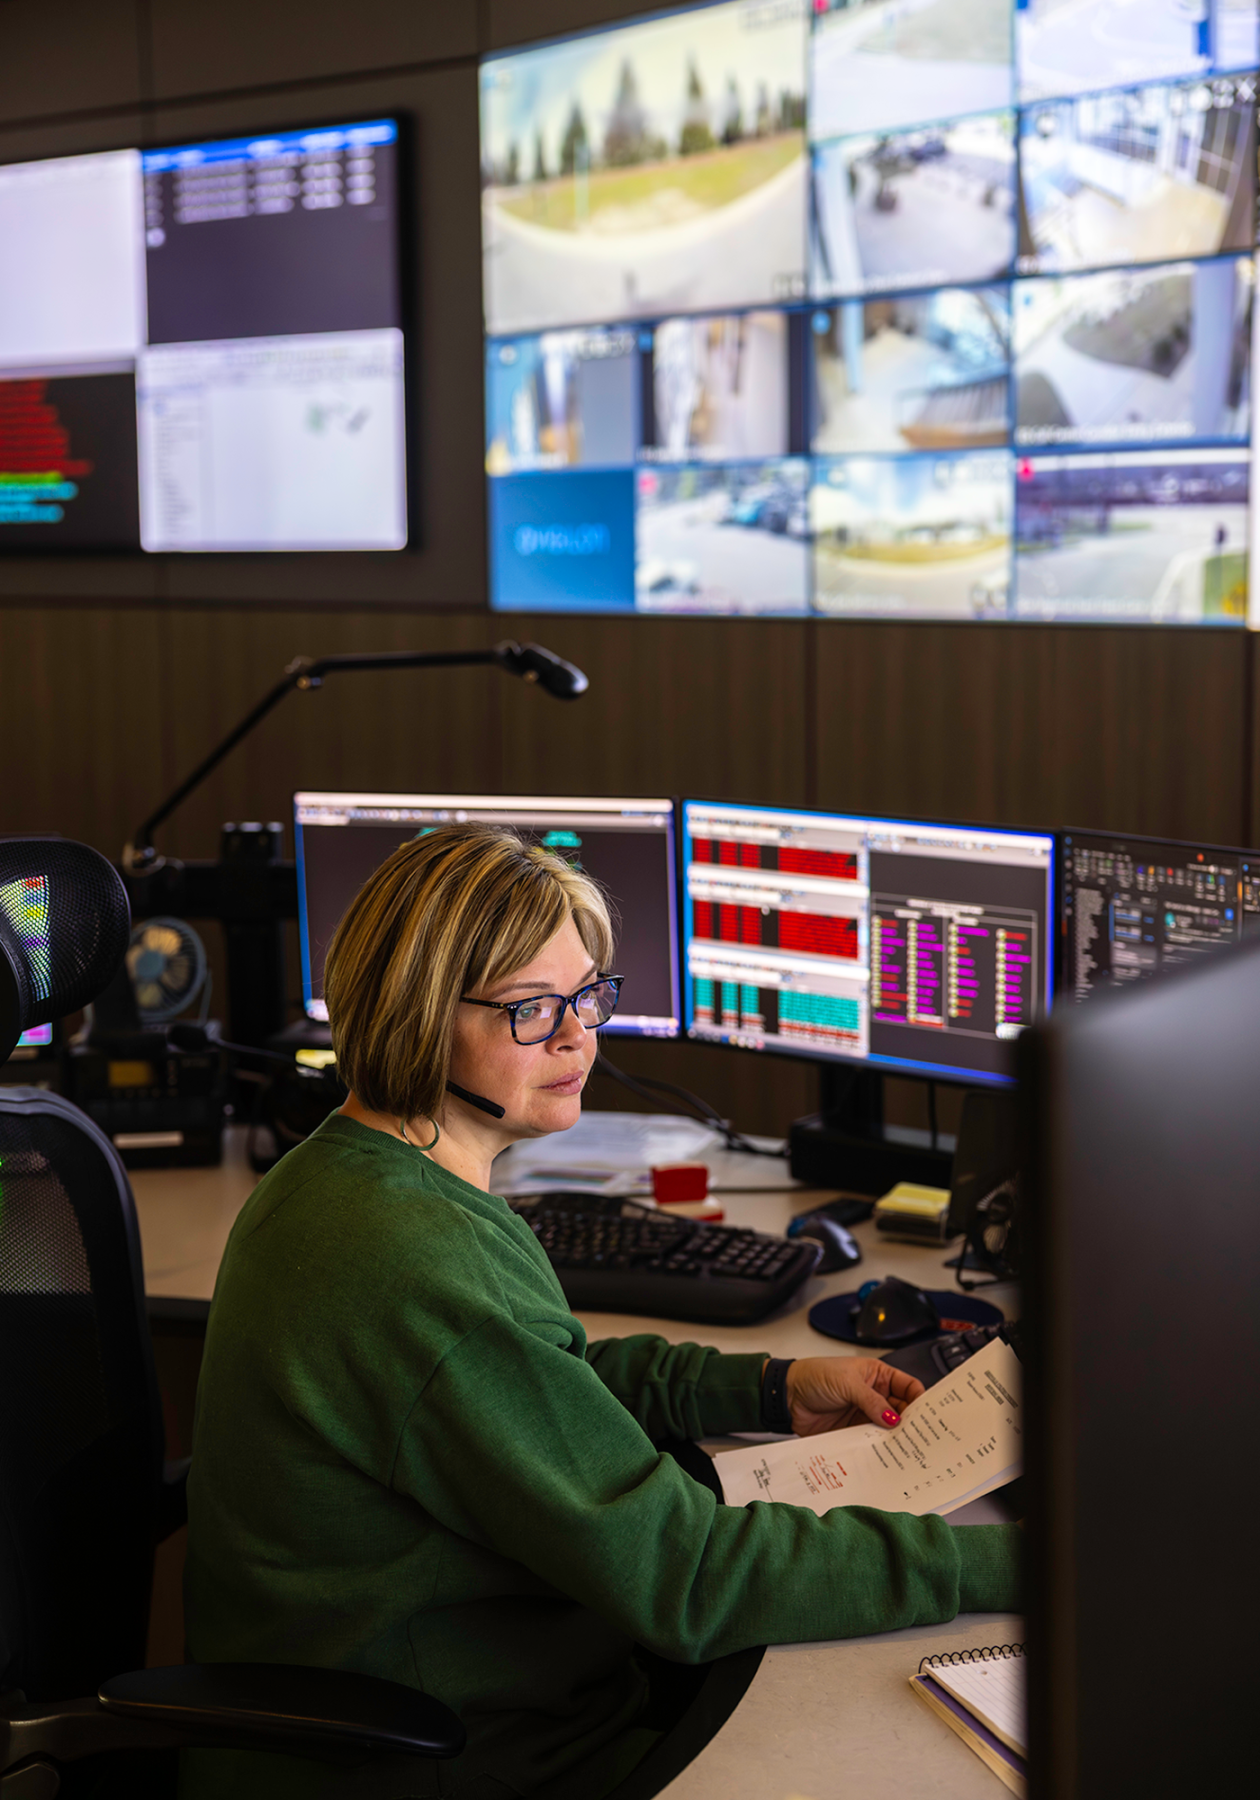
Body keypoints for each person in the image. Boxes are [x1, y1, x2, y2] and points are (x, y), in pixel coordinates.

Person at [182, 824, 1020, 1800]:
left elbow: (537, 1379)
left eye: (588, 995)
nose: (580, 1034)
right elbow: (689, 1577)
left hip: (463, 1705)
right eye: (532, 1010)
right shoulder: (412, 1254)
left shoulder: (349, 1169)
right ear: (417, 1015)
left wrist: (763, 1383)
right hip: (458, 1760)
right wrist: (1030, 1565)